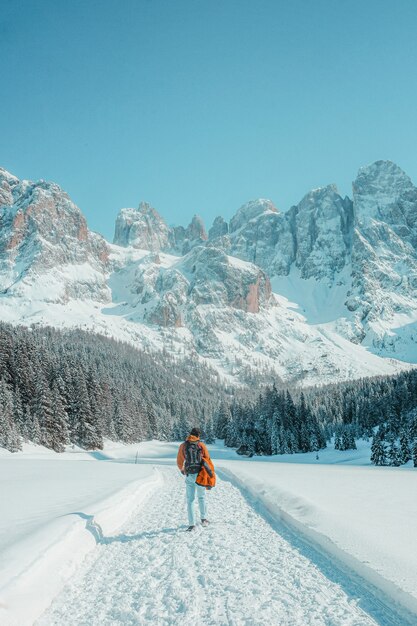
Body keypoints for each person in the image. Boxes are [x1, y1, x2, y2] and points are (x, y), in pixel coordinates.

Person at [177, 427, 215, 531]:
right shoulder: (201, 445)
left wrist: (183, 470)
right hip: (201, 475)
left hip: (190, 475)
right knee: (201, 497)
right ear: (198, 436)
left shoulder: (183, 445)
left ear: (190, 434)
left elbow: (179, 461)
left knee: (190, 500)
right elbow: (208, 460)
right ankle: (203, 519)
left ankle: (191, 524)